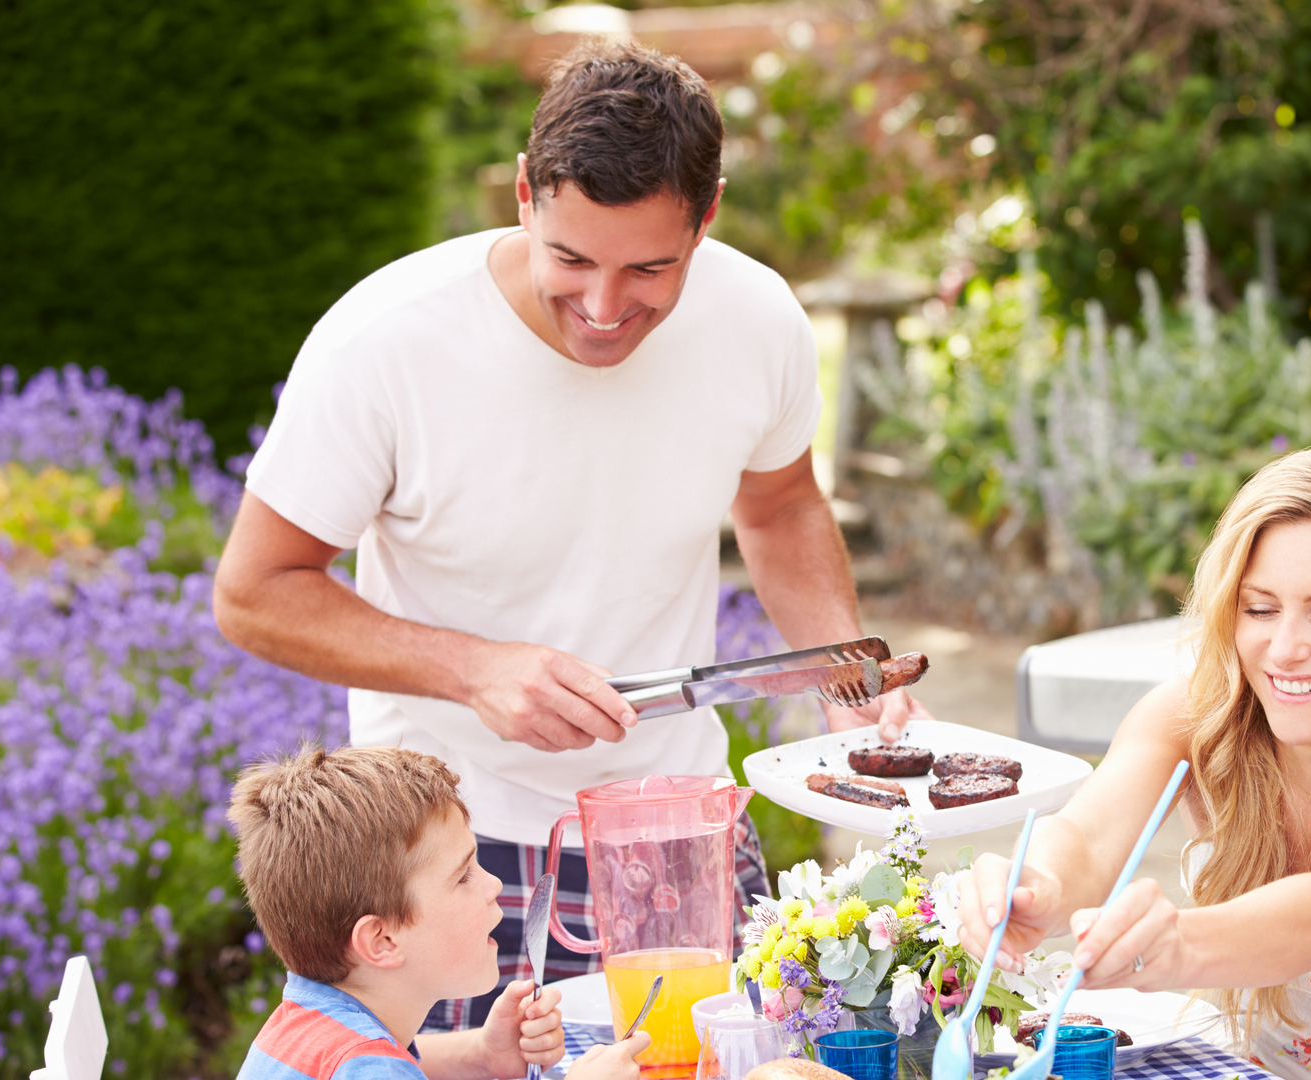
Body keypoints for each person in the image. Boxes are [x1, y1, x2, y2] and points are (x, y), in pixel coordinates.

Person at [213, 39, 929, 1030]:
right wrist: (472, 669)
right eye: (572, 258)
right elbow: (253, 592)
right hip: (446, 853)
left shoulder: (757, 320)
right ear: (522, 195)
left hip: (679, 823)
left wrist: (842, 676)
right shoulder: (384, 343)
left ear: (707, 214)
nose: (603, 309)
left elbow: (780, 505)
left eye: (650, 267)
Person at [956, 442, 1311, 1080]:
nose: (1284, 650)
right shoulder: (1197, 724)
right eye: (1258, 609)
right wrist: (1033, 888)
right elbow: (1088, 836)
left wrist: (1176, 948)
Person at [226, 744, 648, 1080]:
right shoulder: (369, 1070)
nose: (493, 885)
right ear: (382, 941)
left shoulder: (305, 1027)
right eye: (463, 875)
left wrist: (482, 1056)